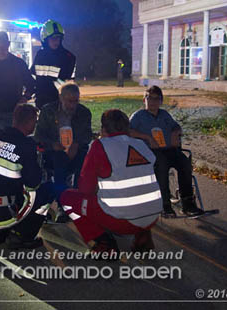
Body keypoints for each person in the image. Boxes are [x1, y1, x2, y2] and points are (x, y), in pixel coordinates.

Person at [60, 109, 162, 256]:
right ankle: (142, 237)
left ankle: (103, 244)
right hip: (153, 216)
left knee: (67, 199)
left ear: (103, 129)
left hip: (121, 221)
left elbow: (85, 189)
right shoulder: (140, 145)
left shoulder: (100, 145)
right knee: (136, 196)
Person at [0, 104, 55, 253]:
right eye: (35, 121)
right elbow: (33, 184)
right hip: (5, 210)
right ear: (28, 122)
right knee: (47, 193)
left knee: (7, 188)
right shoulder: (26, 145)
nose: (35, 125)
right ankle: (22, 236)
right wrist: (40, 169)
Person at [129, 86, 204, 217]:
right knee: (162, 164)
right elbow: (128, 131)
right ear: (144, 100)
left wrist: (176, 132)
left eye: (156, 98)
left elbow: (177, 127)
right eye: (149, 98)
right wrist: (146, 137)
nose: (152, 101)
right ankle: (164, 204)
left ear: (161, 101)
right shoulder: (138, 116)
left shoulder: (164, 115)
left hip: (169, 149)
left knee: (184, 162)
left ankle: (188, 203)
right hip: (149, 152)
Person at [34, 83, 92, 222]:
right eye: (69, 101)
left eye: (75, 101)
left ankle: (77, 200)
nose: (72, 105)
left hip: (76, 149)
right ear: (61, 98)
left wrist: (76, 144)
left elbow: (87, 135)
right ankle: (62, 204)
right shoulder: (48, 111)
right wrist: (53, 145)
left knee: (83, 165)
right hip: (54, 151)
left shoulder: (83, 112)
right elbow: (39, 136)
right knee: (59, 163)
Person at [30, 20, 76, 109]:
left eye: (58, 38)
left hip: (60, 104)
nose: (56, 41)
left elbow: (67, 82)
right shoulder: (40, 55)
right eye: (53, 38)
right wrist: (35, 92)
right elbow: (33, 75)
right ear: (45, 39)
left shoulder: (68, 58)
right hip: (41, 103)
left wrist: (47, 91)